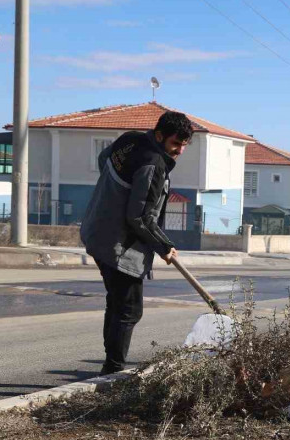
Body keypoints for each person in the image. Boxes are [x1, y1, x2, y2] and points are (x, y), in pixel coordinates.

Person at [80, 111, 192, 375]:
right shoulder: (153, 165)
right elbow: (140, 217)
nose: (180, 150)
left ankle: (111, 366)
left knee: (117, 303)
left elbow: (103, 160)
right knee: (129, 310)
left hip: (97, 231)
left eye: (185, 145)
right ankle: (113, 372)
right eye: (176, 144)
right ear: (159, 135)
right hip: (120, 247)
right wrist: (164, 246)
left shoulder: (128, 140)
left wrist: (114, 195)